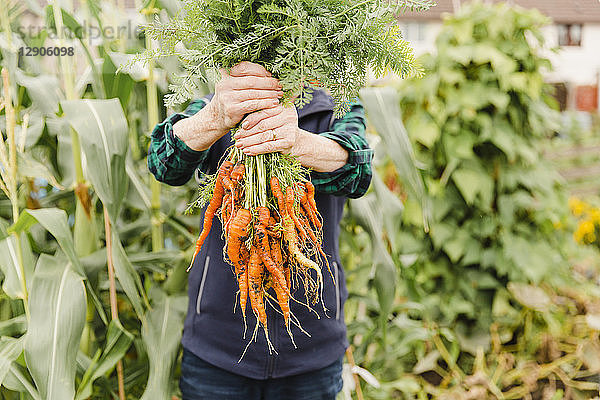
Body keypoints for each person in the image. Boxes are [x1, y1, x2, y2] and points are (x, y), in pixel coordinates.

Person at [148, 61, 373, 400]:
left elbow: (359, 169)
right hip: (218, 349)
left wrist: (297, 142)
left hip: (312, 348)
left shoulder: (334, 107)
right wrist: (216, 117)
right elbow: (163, 162)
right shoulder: (223, 104)